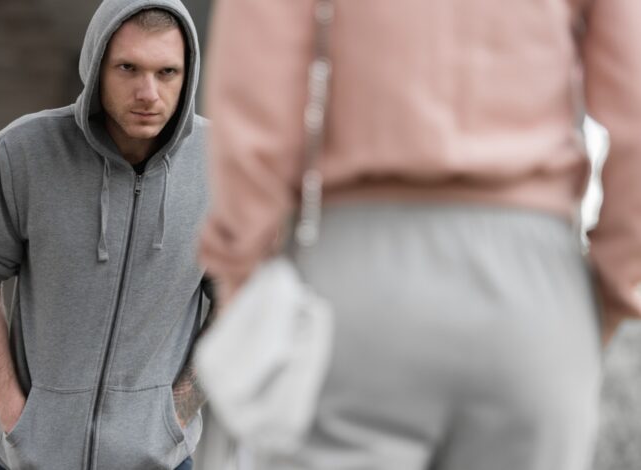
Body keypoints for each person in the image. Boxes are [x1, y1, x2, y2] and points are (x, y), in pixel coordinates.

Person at [200, 0, 640, 469]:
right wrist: (613, 288)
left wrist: (242, 266)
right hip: (535, 293)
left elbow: (256, 88)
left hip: (360, 280)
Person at [0, 1, 210, 469]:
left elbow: (241, 298)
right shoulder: (23, 153)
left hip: (158, 462)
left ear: (187, 74)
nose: (148, 92)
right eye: (128, 68)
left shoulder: (221, 166)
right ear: (96, 65)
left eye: (167, 72)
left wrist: (176, 414)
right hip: (26, 459)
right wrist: (14, 414)